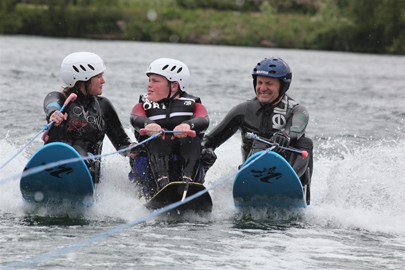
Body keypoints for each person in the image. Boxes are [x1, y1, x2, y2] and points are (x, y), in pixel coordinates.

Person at [201, 57, 313, 202]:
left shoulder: (297, 110)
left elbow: (297, 128)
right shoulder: (243, 110)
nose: (262, 88)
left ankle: (291, 186)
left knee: (306, 143)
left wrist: (285, 135)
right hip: (253, 174)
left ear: (282, 86)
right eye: (259, 83)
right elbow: (210, 140)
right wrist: (203, 149)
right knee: (203, 148)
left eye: (269, 83)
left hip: (289, 174)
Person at [43, 51, 133, 184]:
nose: (103, 81)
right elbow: (51, 103)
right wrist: (54, 113)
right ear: (83, 79)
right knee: (76, 150)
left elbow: (122, 144)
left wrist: (134, 149)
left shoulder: (104, 106)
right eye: (98, 76)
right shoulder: (61, 100)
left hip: (89, 179)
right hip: (56, 169)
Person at [129, 58, 209, 199]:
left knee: (194, 140)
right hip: (152, 160)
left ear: (173, 86)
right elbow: (135, 117)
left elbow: (203, 119)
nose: (149, 85)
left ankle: (188, 183)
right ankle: (162, 184)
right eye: (149, 80)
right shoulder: (144, 103)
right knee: (160, 138)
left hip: (184, 155)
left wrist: (188, 126)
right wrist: (149, 124)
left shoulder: (192, 103)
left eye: (155, 81)